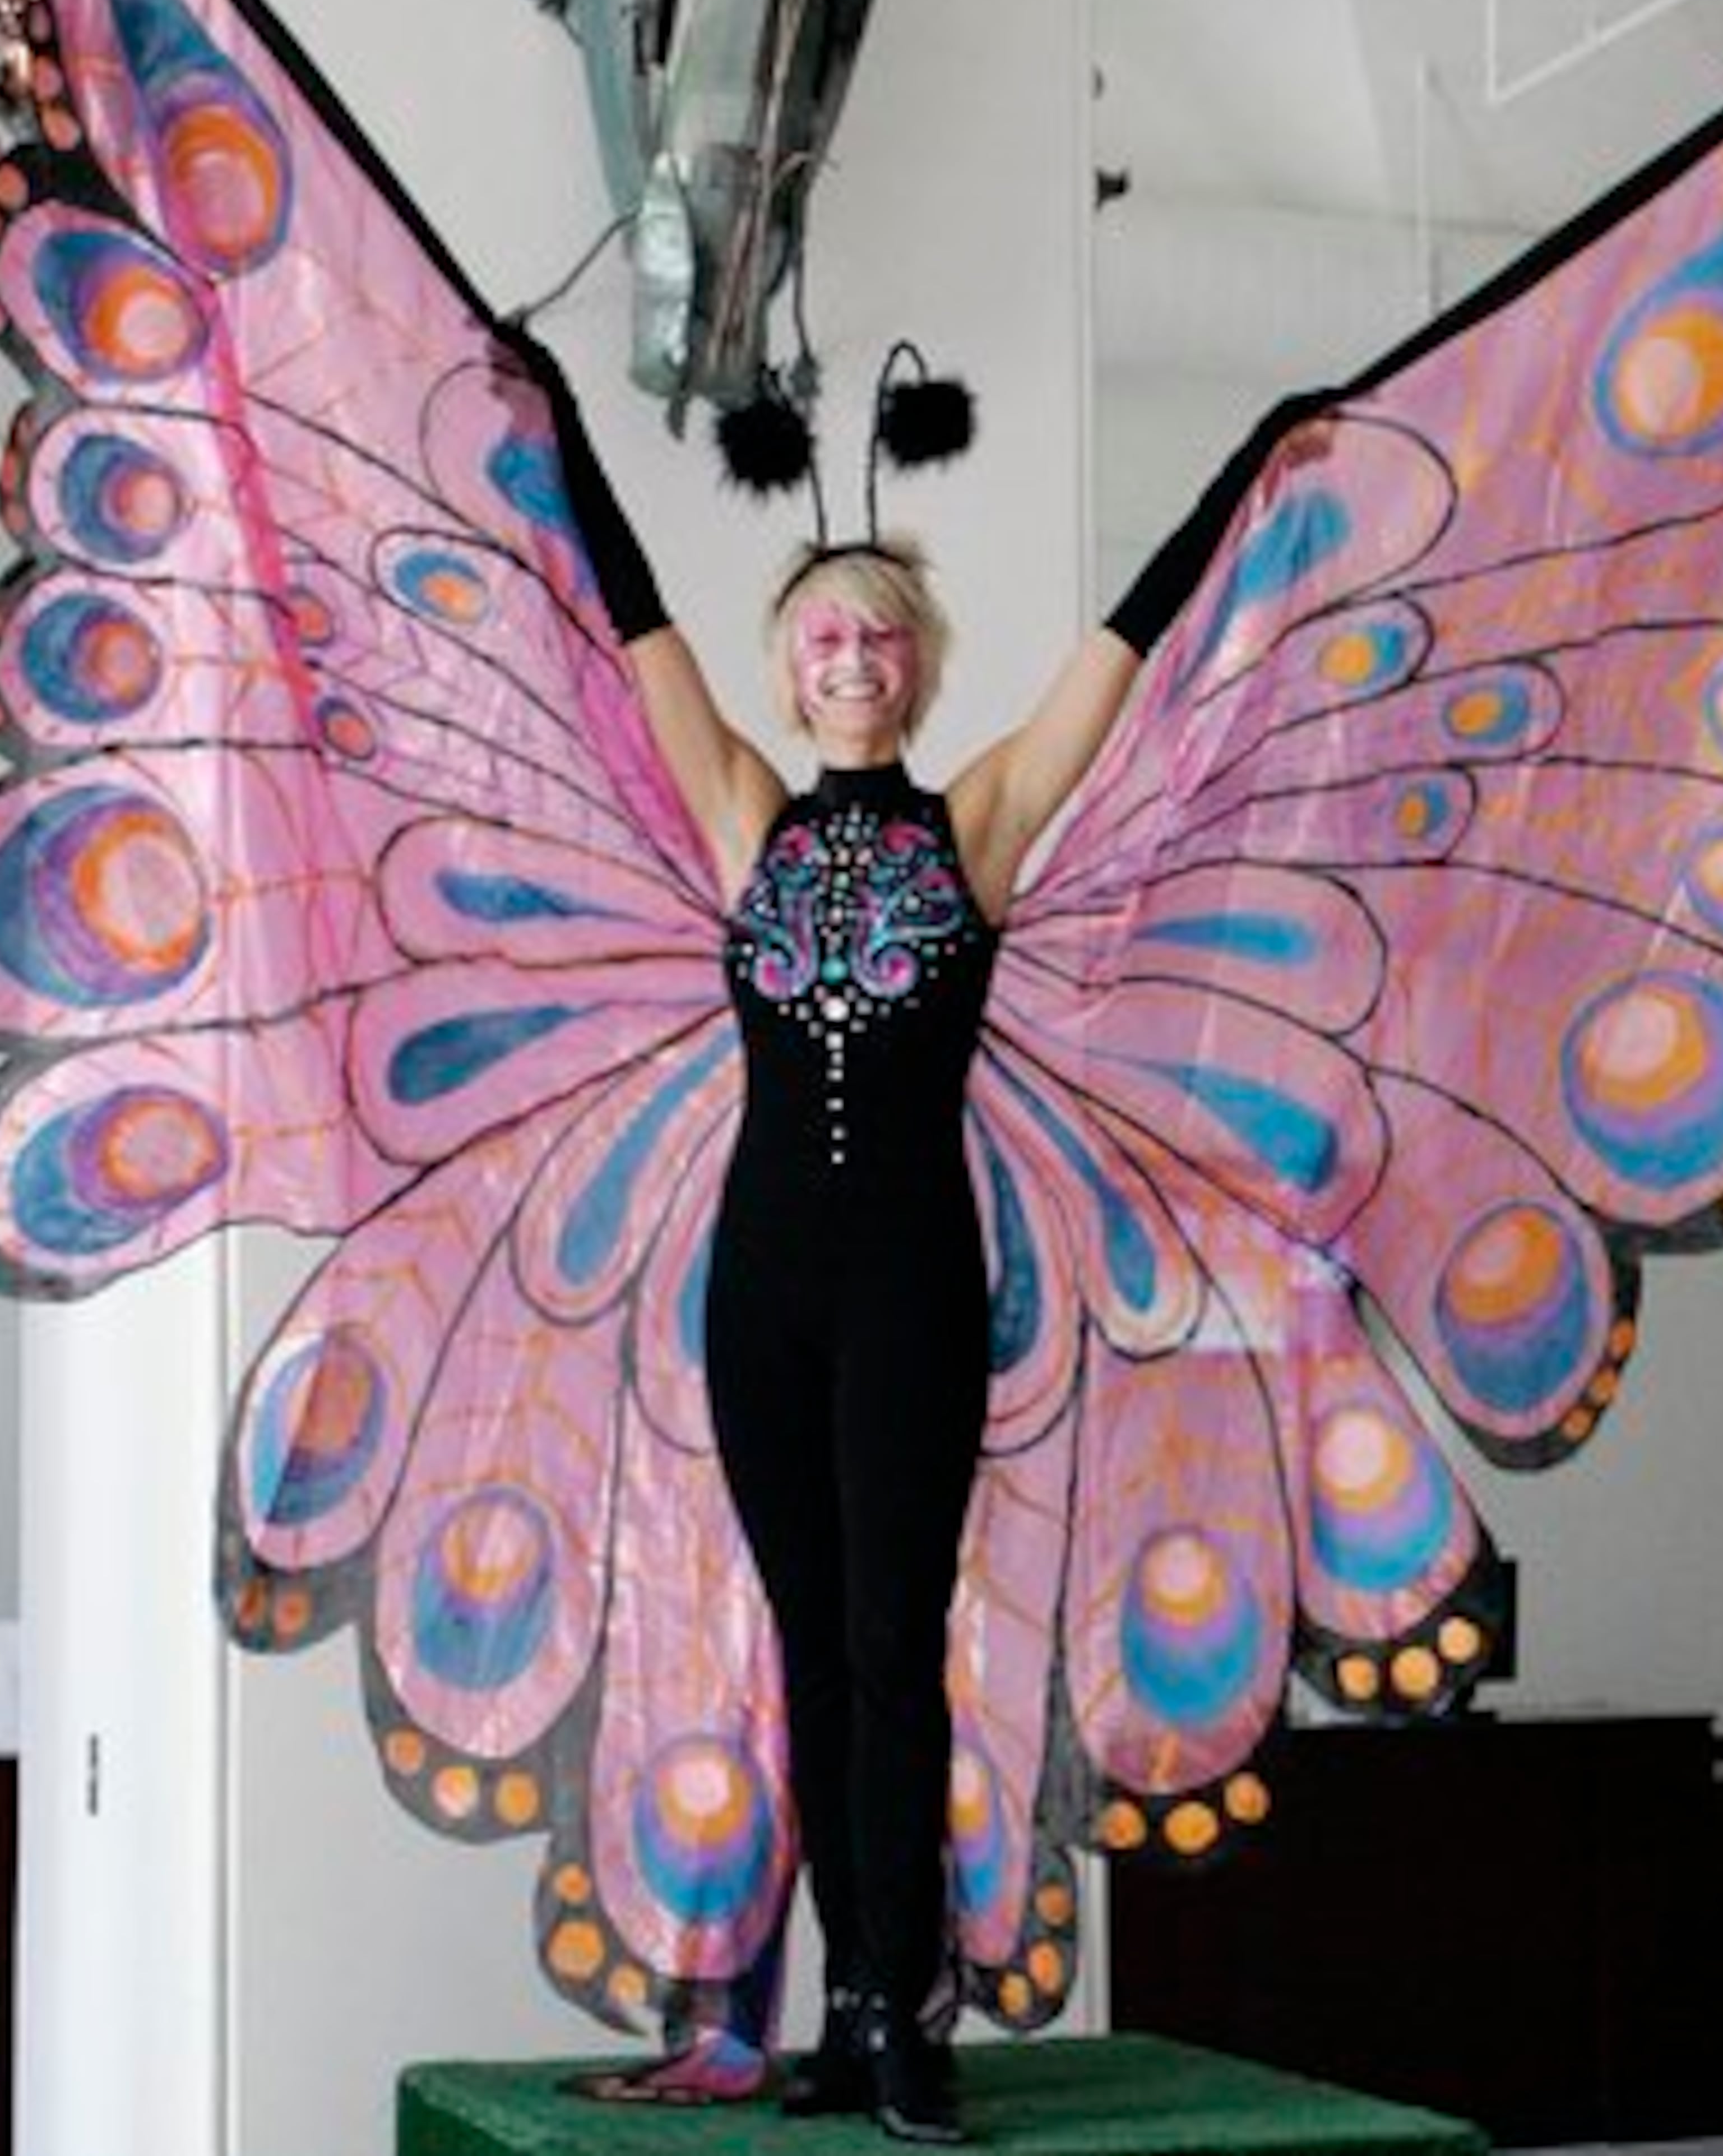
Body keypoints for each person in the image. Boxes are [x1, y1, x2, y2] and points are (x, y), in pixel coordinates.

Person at [545, 371, 1333, 2144]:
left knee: (897, 1654)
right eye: (825, 635)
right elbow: (634, 618)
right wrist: (558, 422)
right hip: (759, 1299)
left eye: (881, 635)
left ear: (917, 667)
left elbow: (1123, 659)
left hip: (911, 1292)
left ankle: (906, 2015)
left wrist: (1251, 456)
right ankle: (843, 2013)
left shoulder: (971, 826)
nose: (853, 656)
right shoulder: (743, 815)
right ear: (790, 668)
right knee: (815, 1660)